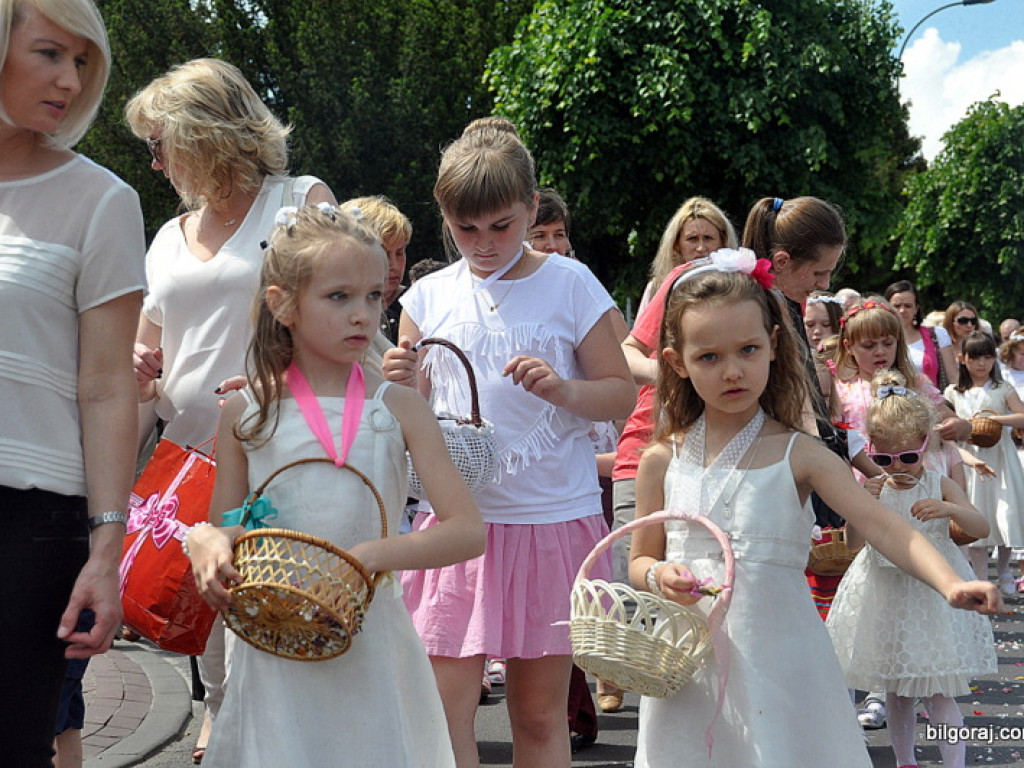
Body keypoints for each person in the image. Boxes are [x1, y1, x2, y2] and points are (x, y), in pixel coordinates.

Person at [627, 254, 1001, 767]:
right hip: (689, 664)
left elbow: (884, 526)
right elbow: (639, 560)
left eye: (748, 349)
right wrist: (658, 575)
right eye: (709, 357)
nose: (732, 370)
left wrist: (950, 583)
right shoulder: (660, 460)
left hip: (783, 658)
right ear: (676, 363)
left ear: (775, 347)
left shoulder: (800, 452)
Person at [184, 204, 485, 766]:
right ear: (283, 305)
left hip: (370, 637)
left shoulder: (400, 408)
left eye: (374, 296)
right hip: (274, 643)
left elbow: (468, 531)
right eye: (339, 296)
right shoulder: (246, 412)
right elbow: (226, 520)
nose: (362, 316)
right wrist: (206, 540)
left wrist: (370, 555)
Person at [384, 117, 635, 768]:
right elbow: (403, 415)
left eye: (501, 225)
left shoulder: (571, 283)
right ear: (444, 216)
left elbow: (621, 393)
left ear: (531, 207)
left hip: (551, 521)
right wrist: (403, 383)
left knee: (539, 714)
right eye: (466, 229)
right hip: (455, 525)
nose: (484, 243)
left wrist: (564, 391)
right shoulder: (428, 294)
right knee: (441, 715)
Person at [124, 57, 335, 763]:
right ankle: (224, 730)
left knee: (281, 632)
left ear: (204, 133)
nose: (155, 163)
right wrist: (138, 369)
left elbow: (346, 320)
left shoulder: (299, 200)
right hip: (189, 466)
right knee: (213, 640)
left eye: (160, 143)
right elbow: (149, 361)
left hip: (286, 456)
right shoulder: (166, 237)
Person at [0, 0, 145, 763]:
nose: (69, 79)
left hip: (30, 530)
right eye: (50, 53)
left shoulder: (102, 200)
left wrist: (105, 550)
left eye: (82, 61)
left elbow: (108, 388)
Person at [826, 370, 996, 768]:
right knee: (897, 692)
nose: (896, 466)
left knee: (939, 692)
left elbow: (981, 527)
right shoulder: (875, 487)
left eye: (907, 457)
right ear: (872, 450)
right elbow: (853, 545)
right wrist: (859, 507)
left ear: (925, 443)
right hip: (883, 592)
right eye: (883, 459)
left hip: (929, 599)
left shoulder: (938, 484)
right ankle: (905, 761)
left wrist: (950, 509)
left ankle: (954, 763)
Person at [610, 196, 737, 713]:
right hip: (647, 445)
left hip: (714, 451)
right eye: (693, 240)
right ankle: (630, 682)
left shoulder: (742, 296)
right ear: (677, 247)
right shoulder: (676, 285)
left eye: (712, 239)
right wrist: (680, 374)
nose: (703, 248)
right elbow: (627, 353)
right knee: (639, 575)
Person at [945, 330, 1024, 592]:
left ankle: (1004, 573)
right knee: (976, 515)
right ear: (963, 359)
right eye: (976, 357)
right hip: (970, 460)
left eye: (988, 357)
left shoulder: (1003, 388)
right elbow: (947, 426)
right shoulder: (954, 392)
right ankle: (980, 576)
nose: (982, 364)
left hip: (1001, 458)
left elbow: (1021, 416)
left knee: (1006, 514)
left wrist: (995, 421)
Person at [637, 196, 739, 314]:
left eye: (708, 238)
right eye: (692, 239)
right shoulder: (656, 289)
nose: (701, 248)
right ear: (676, 244)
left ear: (723, 242)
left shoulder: (737, 289)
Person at [342, 195, 411, 348]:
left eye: (399, 253)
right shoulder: (331, 307)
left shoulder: (416, 305)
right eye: (384, 253)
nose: (393, 264)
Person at [884, 279, 956, 390]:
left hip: (933, 403)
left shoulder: (937, 334)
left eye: (908, 306)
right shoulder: (879, 340)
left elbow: (954, 378)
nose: (902, 310)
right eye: (897, 306)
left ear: (916, 308)